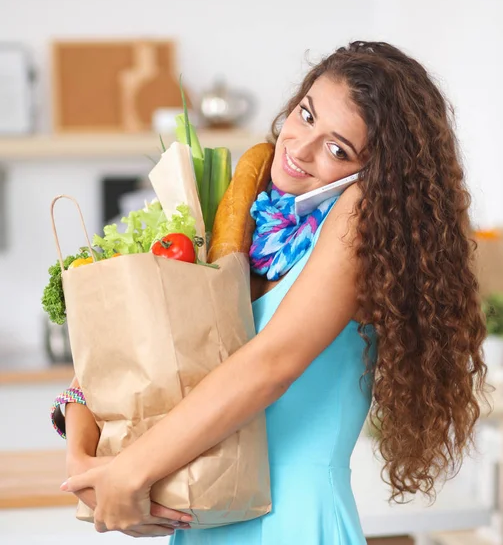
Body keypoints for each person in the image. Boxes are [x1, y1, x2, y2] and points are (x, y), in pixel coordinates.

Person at [58, 41, 488, 544]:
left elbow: (271, 364)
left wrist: (131, 471)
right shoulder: (242, 220)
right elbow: (128, 346)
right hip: (206, 520)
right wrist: (84, 465)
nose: (300, 147)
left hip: (293, 524)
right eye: (305, 115)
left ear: (380, 175)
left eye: (337, 149)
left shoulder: (366, 218)